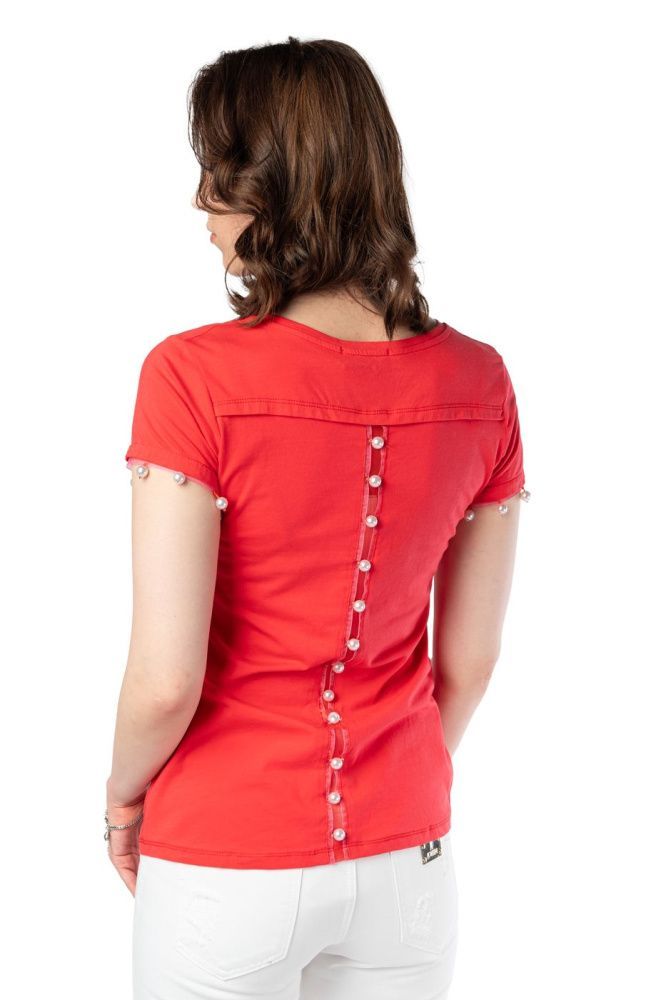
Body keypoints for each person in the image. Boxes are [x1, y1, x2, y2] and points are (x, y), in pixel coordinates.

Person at [105, 36, 530, 1000]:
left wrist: (122, 799)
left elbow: (166, 680)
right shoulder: (482, 382)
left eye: (217, 174)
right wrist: (395, 780)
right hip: (410, 862)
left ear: (272, 188)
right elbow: (469, 663)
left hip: (224, 859)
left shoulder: (192, 377)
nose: (201, 205)